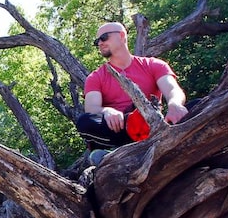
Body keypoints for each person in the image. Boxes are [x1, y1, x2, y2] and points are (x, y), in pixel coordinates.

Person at [76, 22, 188, 162]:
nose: (100, 43)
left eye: (104, 37)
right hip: (120, 130)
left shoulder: (153, 65)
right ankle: (118, 151)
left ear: (122, 36)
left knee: (197, 106)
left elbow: (172, 89)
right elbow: (91, 108)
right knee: (85, 122)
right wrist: (107, 111)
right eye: (96, 41)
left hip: (154, 124)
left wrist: (174, 104)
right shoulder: (95, 77)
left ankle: (118, 151)